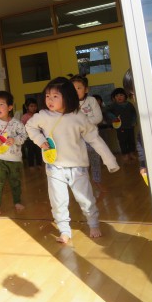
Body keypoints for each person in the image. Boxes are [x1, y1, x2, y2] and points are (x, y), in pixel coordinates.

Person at [25, 77, 120, 244]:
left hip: (78, 167)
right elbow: (30, 127)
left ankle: (93, 223)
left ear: (68, 96)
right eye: (47, 96)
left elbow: (95, 139)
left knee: (85, 199)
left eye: (55, 96)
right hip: (54, 166)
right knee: (58, 200)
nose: (50, 100)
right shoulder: (43, 116)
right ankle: (64, 229)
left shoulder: (79, 117)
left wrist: (110, 161)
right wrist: (40, 140)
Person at [70, 75, 105, 194]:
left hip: (92, 138)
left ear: (86, 89)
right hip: (77, 139)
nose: (75, 91)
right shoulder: (69, 104)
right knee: (80, 163)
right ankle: (82, 184)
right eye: (72, 88)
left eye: (79, 88)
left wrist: (84, 123)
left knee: (95, 161)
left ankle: (97, 181)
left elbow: (98, 117)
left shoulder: (91, 101)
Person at [107, 87, 138, 164]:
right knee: (122, 141)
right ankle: (125, 154)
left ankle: (131, 153)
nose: (119, 97)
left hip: (130, 126)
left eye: (121, 95)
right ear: (114, 98)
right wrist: (113, 117)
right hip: (120, 127)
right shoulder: (113, 105)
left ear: (125, 96)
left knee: (131, 140)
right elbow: (107, 112)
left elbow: (134, 114)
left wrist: (134, 121)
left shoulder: (129, 105)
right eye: (116, 96)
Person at [21, 97, 41, 167]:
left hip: (38, 137)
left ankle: (39, 164)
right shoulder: (25, 117)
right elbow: (22, 127)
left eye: (35, 106)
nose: (33, 108)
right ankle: (31, 165)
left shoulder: (38, 115)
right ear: (27, 107)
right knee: (30, 151)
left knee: (38, 151)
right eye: (31, 106)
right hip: (29, 138)